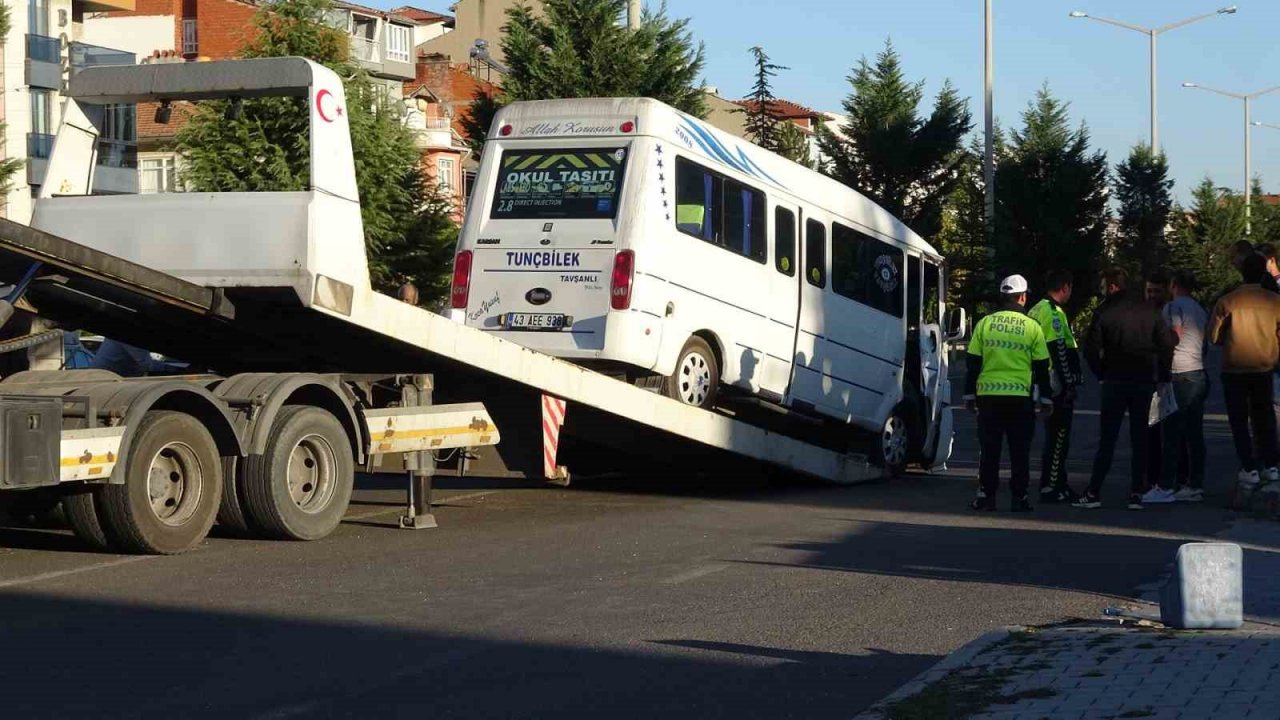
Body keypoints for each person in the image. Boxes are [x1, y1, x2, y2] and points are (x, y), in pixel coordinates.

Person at [1075, 267, 1177, 511]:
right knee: (1139, 437)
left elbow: (1090, 350)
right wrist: (1162, 375)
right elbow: (1166, 345)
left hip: (1114, 380)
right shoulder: (1149, 310)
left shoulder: (1105, 311)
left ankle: (1094, 491)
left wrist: (1101, 373)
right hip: (1143, 380)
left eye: (1102, 288)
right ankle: (1136, 491)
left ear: (1111, 287)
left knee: (1108, 438)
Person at [964, 274, 1054, 512]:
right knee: (1020, 451)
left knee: (990, 449)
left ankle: (986, 496)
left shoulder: (985, 323)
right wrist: (1046, 398)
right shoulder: (1032, 326)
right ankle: (1019, 498)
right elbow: (1042, 366)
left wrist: (969, 395)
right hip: (1020, 399)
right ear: (1022, 297)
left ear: (1003, 296)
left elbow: (973, 362)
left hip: (988, 397)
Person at [1208, 253, 1280, 496]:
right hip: (1264, 366)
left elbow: (1214, 338)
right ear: (1263, 272)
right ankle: (1270, 463)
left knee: (1239, 420)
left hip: (1235, 368)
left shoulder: (1227, 302)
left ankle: (1247, 465)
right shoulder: (1274, 301)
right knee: (1265, 417)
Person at [1028, 269, 1083, 503]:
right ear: (1065, 288)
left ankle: (1057, 482)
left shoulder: (1036, 309)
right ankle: (1052, 485)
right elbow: (1059, 350)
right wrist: (1070, 383)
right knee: (1059, 436)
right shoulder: (1054, 313)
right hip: (1054, 382)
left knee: (1053, 435)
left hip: (1038, 380)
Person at [1162, 271, 1210, 502]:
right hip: (1197, 370)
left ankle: (1168, 484)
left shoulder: (1172, 307)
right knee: (1194, 432)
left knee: (1172, 431)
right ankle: (1195, 482)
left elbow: (1175, 334)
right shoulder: (1200, 309)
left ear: (1174, 284)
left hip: (1178, 372)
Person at [1142, 270, 1172, 503]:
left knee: (1169, 432)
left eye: (1156, 291)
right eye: (1149, 290)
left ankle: (1167, 478)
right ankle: (1150, 478)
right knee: (1150, 430)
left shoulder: (1168, 312)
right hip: (1147, 377)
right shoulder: (1144, 313)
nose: (1152, 295)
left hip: (1167, 378)